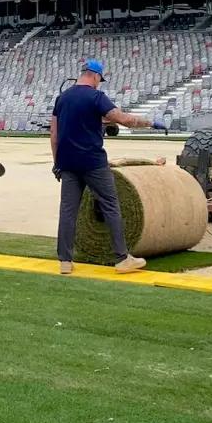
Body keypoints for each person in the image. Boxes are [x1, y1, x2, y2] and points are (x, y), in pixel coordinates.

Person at [51, 59, 165, 275]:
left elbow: (54, 135)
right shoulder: (96, 97)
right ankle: (122, 259)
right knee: (111, 205)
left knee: (67, 211)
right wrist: (150, 123)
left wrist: (57, 163)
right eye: (99, 80)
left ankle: (65, 261)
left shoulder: (62, 99)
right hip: (93, 163)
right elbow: (123, 119)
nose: (99, 83)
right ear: (95, 76)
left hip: (68, 163)